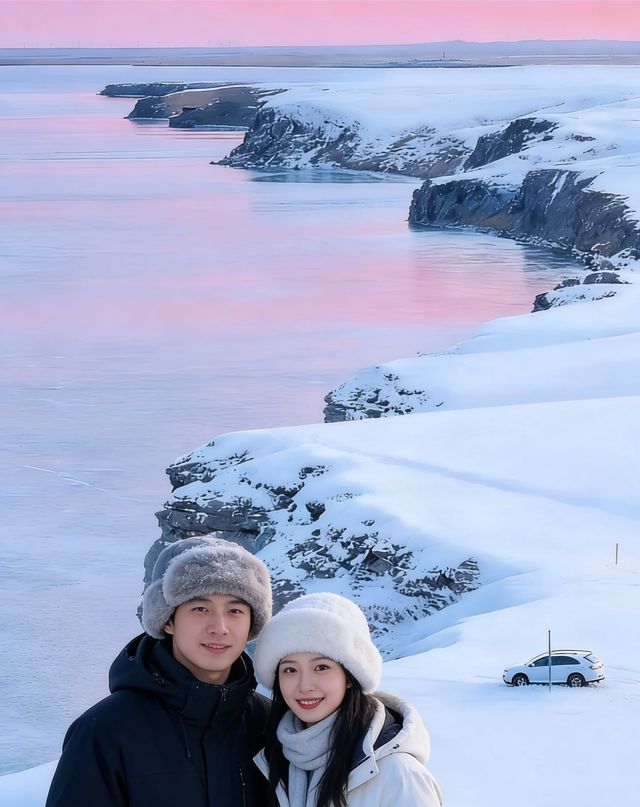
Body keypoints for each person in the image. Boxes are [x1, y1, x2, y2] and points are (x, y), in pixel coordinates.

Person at [46, 535, 273, 807]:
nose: (219, 627)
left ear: (252, 625)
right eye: (200, 608)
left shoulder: (270, 724)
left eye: (235, 610)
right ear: (167, 621)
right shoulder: (105, 731)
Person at [253, 592, 442, 807]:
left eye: (321, 667)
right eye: (290, 669)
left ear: (351, 677)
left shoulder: (400, 777)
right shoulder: (275, 760)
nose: (304, 685)